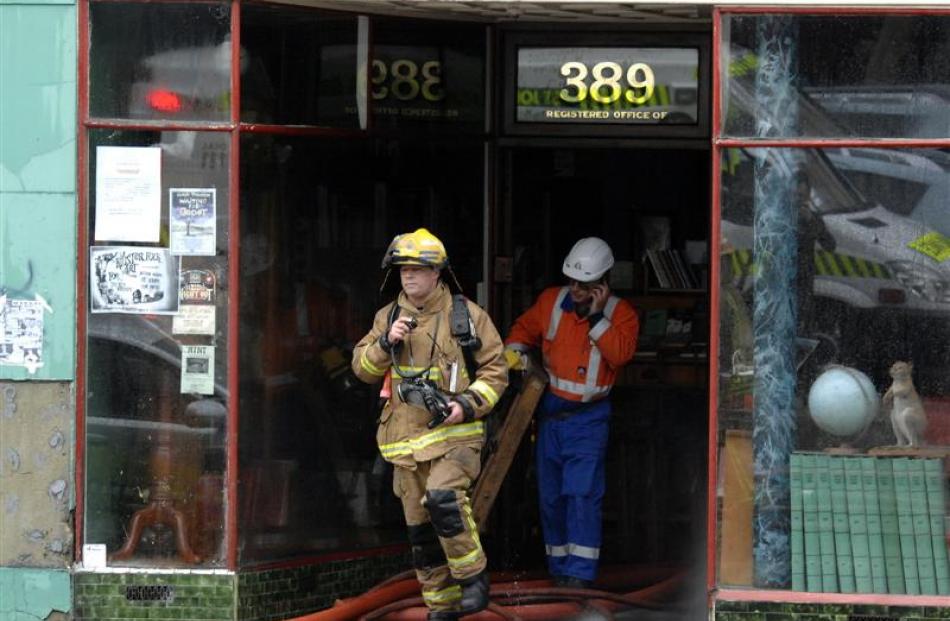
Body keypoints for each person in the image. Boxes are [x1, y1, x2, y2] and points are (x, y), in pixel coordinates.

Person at [352, 228, 508, 620]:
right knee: (420, 531)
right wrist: (386, 342)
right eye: (404, 269)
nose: (409, 276)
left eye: (418, 269)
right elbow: (363, 370)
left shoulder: (466, 316)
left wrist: (468, 405)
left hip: (454, 439)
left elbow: (496, 372)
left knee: (444, 500)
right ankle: (441, 607)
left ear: (437, 273)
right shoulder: (387, 317)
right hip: (405, 445)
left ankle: (474, 578)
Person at [505, 237, 639, 588]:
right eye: (573, 282)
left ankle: (579, 577)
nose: (577, 290)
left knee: (580, 495)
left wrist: (596, 318)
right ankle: (558, 571)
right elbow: (522, 330)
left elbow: (621, 355)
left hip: (588, 419)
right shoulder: (550, 301)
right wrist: (515, 360)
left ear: (603, 282)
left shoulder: (620, 314)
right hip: (550, 416)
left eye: (585, 284)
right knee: (551, 496)